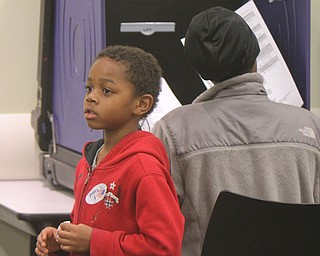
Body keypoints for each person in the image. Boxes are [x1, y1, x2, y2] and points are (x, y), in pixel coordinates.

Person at [152, 6, 320, 256]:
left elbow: (156, 226)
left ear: (201, 70)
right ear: (255, 54)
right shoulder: (309, 127)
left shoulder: (172, 131)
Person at [35, 45, 184, 256]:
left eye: (106, 91)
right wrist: (64, 237)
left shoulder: (144, 169)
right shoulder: (89, 160)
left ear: (141, 104)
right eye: (89, 88)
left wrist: (93, 241)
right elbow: (90, 226)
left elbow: (164, 248)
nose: (91, 98)